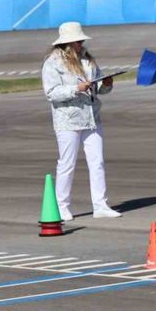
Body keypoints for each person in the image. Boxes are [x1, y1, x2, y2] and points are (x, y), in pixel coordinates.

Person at [41, 22, 121, 221]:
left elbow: (98, 87)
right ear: (67, 43)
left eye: (81, 40)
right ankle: (61, 206)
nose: (81, 43)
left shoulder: (87, 60)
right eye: (77, 41)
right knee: (67, 163)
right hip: (67, 119)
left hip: (92, 117)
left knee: (97, 162)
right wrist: (76, 89)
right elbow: (51, 93)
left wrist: (106, 84)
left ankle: (100, 205)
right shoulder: (53, 62)